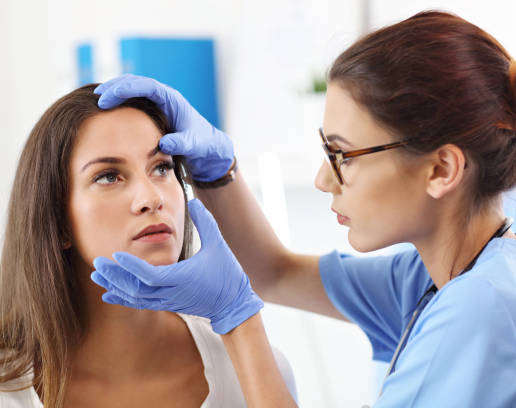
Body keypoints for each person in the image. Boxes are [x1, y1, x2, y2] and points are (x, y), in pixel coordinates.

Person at [91, 10, 516, 407]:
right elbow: (274, 273)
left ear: (441, 169)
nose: (323, 179)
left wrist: (235, 316)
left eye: (343, 155)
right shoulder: (429, 278)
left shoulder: (480, 309)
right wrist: (217, 173)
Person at [0, 85, 296, 407]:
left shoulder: (258, 372)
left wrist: (239, 316)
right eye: (108, 176)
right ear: (57, 222)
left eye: (162, 167)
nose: (151, 198)